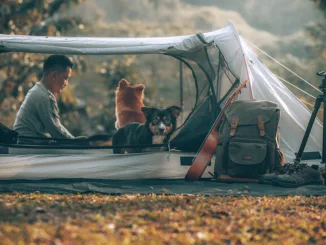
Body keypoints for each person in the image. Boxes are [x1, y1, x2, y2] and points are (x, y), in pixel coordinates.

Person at [13, 54, 86, 142]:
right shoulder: (44, 96)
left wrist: (73, 140)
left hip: (28, 142)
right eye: (65, 78)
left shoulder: (37, 90)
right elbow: (56, 131)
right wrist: (75, 142)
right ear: (54, 75)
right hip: (29, 145)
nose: (66, 83)